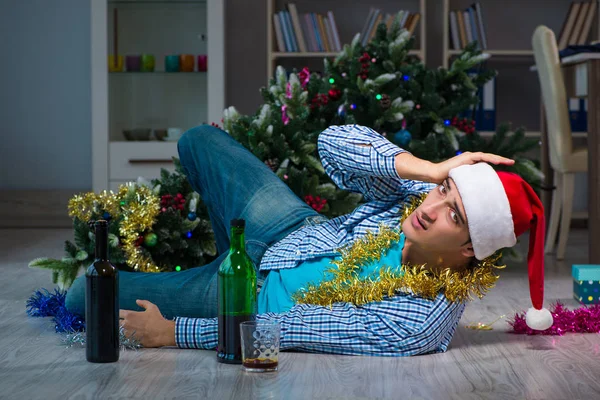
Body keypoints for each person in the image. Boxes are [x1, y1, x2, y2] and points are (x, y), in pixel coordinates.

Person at [65, 124, 552, 356]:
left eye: (455, 215)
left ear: (470, 249)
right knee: (197, 140)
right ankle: (225, 251)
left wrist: (174, 333)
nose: (429, 208)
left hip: (246, 298)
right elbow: (333, 143)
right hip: (289, 232)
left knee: (80, 295)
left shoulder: (417, 323)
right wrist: (433, 169)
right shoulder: (421, 195)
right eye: (443, 191)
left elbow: (284, 331)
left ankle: (212, 276)